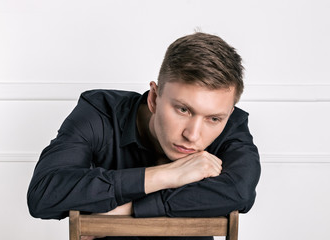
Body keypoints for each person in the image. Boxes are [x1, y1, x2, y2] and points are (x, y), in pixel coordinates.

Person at [27, 32, 261, 240]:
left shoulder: (230, 125)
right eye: (183, 109)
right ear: (154, 98)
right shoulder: (100, 112)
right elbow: (44, 195)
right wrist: (166, 176)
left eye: (214, 119)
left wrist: (126, 210)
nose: (193, 135)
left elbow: (240, 192)